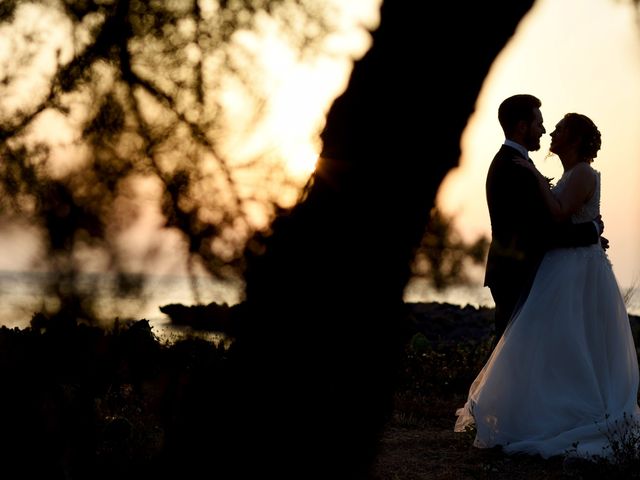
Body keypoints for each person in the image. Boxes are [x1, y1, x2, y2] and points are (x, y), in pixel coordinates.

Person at [454, 112, 640, 460]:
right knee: (547, 342)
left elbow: (556, 213)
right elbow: (552, 221)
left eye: (559, 129)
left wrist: (539, 180)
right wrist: (591, 231)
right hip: (558, 266)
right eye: (545, 124)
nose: (550, 131)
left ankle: (565, 416)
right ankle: (535, 414)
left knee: (570, 342)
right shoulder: (533, 168)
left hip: (577, 272)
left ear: (574, 138)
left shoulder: (582, 172)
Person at [483, 94, 603, 347]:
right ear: (522, 126)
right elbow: (539, 231)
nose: (544, 130)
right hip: (515, 272)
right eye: (539, 124)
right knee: (513, 352)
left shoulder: (516, 163)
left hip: (519, 270)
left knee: (518, 351)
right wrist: (590, 231)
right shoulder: (514, 168)